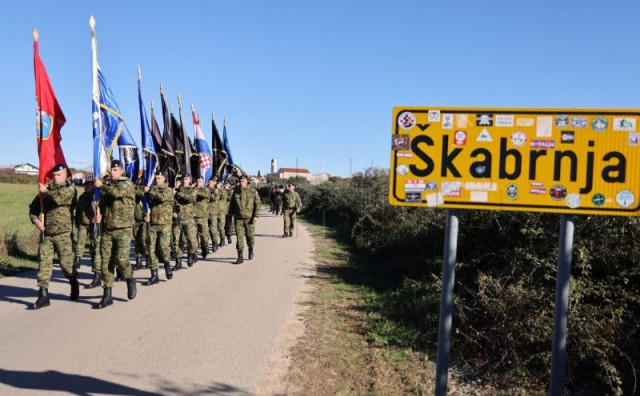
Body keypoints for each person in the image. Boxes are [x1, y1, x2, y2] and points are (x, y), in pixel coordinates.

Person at [28, 164, 79, 309]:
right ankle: (43, 295)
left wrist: (45, 192)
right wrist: (35, 220)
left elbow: (60, 198)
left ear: (65, 176)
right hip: (47, 234)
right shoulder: (45, 192)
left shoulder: (70, 190)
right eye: (54, 175)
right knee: (44, 264)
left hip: (63, 235)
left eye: (59, 175)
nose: (56, 178)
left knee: (66, 265)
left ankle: (73, 282)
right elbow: (33, 209)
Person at [94, 159, 137, 309]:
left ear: (121, 171)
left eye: (114, 170)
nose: (111, 172)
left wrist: (102, 186)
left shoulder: (127, 184)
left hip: (123, 229)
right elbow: (105, 204)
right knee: (105, 262)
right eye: (110, 170)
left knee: (121, 259)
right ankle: (107, 295)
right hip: (107, 229)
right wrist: (99, 214)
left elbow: (117, 193)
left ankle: (130, 278)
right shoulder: (108, 186)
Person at [144, 171, 174, 284]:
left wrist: (149, 191)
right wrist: (146, 213)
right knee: (151, 249)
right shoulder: (152, 190)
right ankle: (154, 275)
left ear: (164, 179)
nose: (157, 180)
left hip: (165, 224)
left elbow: (161, 198)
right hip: (153, 223)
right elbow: (147, 204)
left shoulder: (168, 190)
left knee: (163, 247)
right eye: (156, 178)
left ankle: (167, 264)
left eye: (159, 178)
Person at [74, 180, 102, 288]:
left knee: (95, 245)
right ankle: (77, 259)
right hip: (83, 223)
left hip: (94, 223)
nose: (86, 187)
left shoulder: (96, 196)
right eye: (85, 186)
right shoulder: (82, 197)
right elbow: (79, 210)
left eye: (88, 186)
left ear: (92, 186)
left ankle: (96, 268)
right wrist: (76, 221)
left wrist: (93, 218)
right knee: (80, 241)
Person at [229, 175, 261, 264]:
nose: (241, 181)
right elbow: (232, 204)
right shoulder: (236, 191)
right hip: (238, 218)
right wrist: (229, 216)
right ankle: (240, 257)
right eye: (240, 180)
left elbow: (258, 204)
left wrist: (256, 216)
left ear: (247, 181)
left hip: (249, 218)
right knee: (239, 237)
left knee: (250, 237)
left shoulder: (252, 191)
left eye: (243, 180)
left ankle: (251, 248)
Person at [173, 175, 198, 269]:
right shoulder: (175, 190)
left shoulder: (192, 190)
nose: (184, 181)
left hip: (189, 219)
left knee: (191, 240)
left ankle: (190, 254)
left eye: (186, 179)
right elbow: (171, 202)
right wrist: (173, 212)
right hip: (178, 219)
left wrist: (178, 193)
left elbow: (190, 199)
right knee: (176, 241)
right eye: (183, 179)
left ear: (190, 180)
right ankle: (178, 261)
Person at [193, 176, 211, 259]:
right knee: (193, 236)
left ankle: (204, 247)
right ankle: (194, 252)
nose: (198, 182)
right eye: (197, 181)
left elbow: (206, 195)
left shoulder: (206, 189)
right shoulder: (193, 189)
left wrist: (195, 190)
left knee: (203, 235)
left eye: (200, 181)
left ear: (203, 182)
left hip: (203, 216)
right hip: (193, 216)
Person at [132, 183, 149, 270]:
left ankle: (147, 257)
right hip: (135, 220)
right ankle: (138, 261)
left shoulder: (145, 193)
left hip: (144, 219)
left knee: (143, 239)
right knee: (137, 240)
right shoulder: (134, 192)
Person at [206, 179, 221, 252]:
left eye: (211, 182)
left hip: (213, 213)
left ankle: (214, 242)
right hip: (204, 212)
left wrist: (207, 194)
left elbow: (215, 198)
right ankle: (205, 245)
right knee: (205, 230)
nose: (209, 183)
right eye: (208, 182)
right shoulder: (204, 189)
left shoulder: (215, 190)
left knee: (213, 229)